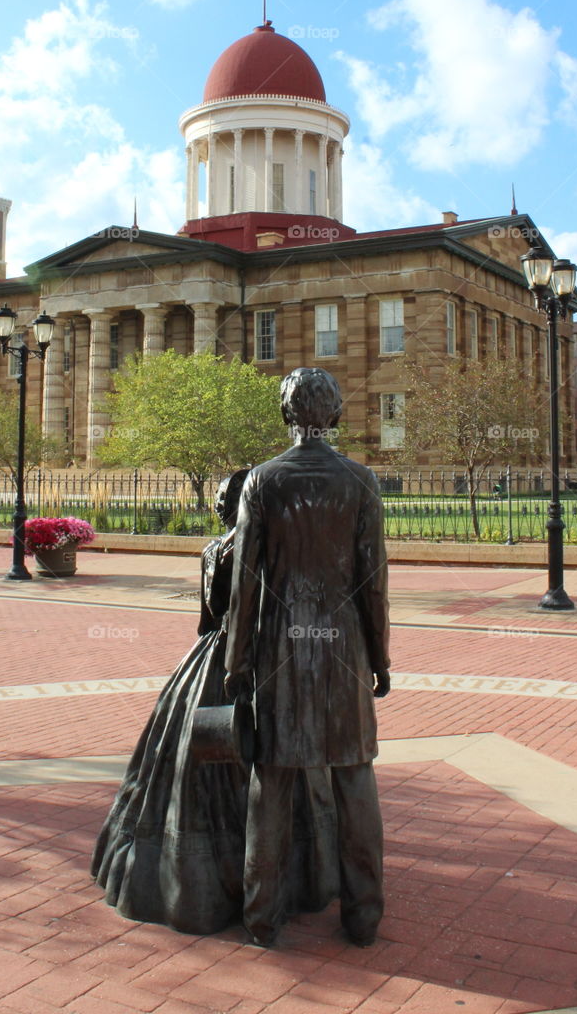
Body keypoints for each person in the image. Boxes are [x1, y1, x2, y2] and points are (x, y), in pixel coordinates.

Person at [91, 468, 338, 934]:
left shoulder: (214, 551)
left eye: (223, 500)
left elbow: (207, 619)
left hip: (218, 658)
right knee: (283, 767)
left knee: (192, 756)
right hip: (271, 661)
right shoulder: (276, 551)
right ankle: (286, 875)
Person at [225, 367, 390, 949]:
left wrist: (236, 661)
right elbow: (374, 582)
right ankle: (364, 914)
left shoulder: (262, 481)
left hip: (279, 647)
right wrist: (381, 657)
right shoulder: (361, 481)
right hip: (344, 646)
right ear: (337, 413)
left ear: (285, 415)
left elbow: (246, 583)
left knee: (271, 782)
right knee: (354, 777)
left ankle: (262, 916)